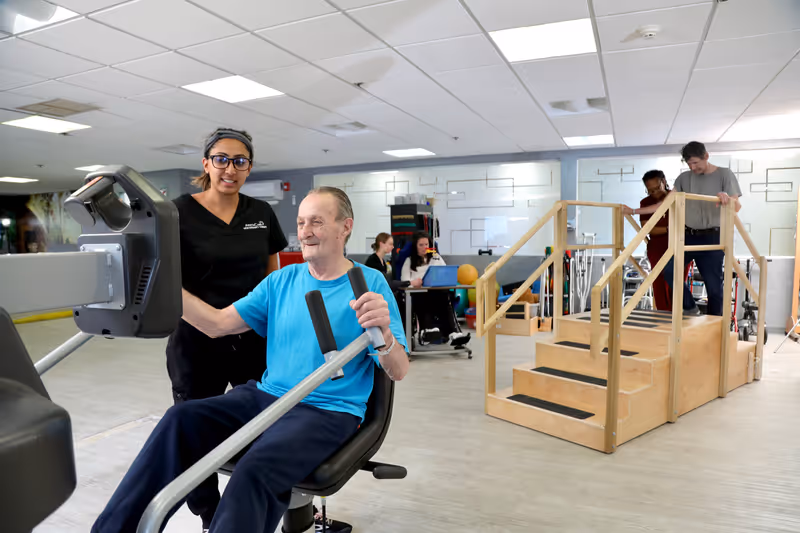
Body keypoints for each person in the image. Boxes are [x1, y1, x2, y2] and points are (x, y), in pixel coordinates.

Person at [91, 187, 409, 533]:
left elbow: (399, 368)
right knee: (179, 420)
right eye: (301, 222)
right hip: (266, 397)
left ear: (344, 227)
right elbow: (217, 323)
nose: (305, 231)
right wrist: (159, 285)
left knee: (258, 466)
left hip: (327, 409)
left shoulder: (370, 283)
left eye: (317, 221)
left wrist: (385, 337)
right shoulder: (281, 281)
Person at [168, 128, 287, 529]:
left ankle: (254, 507)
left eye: (240, 161)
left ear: (249, 167)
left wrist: (277, 324)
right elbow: (165, 277)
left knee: (265, 423)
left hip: (252, 339)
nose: (229, 168)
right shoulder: (177, 212)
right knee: (194, 432)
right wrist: (211, 321)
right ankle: (209, 514)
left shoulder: (261, 213)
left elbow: (273, 273)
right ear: (206, 163)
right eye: (221, 159)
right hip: (197, 342)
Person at [624, 142, 742, 316]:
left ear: (706, 156)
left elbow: (737, 207)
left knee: (714, 288)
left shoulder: (725, 174)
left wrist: (727, 198)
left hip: (713, 238)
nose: (693, 167)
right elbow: (663, 205)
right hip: (688, 236)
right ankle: (689, 307)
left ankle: (715, 327)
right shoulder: (684, 178)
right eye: (689, 164)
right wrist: (633, 211)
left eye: (696, 163)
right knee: (669, 271)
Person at [401, 231, 470, 346]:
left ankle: (453, 333)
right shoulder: (409, 261)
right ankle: (427, 330)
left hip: (437, 293)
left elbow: (444, 273)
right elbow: (404, 282)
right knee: (424, 298)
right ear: (415, 247)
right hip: (418, 294)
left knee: (444, 298)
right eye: (421, 245)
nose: (424, 247)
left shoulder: (436, 258)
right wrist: (414, 283)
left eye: (426, 244)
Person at [637, 170, 691, 311]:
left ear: (664, 182)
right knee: (659, 282)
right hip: (657, 247)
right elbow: (648, 229)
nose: (654, 193)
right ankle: (663, 316)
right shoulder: (646, 203)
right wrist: (669, 228)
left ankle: (678, 315)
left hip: (680, 245)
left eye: (657, 188)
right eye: (650, 190)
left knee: (678, 281)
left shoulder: (678, 198)